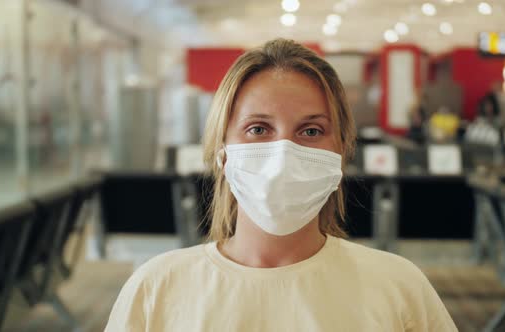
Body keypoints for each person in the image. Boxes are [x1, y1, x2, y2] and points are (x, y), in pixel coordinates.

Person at [105, 39, 457, 332]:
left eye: (311, 131)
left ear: (341, 150)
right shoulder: (156, 289)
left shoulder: (399, 286)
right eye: (258, 129)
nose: (283, 153)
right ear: (222, 151)